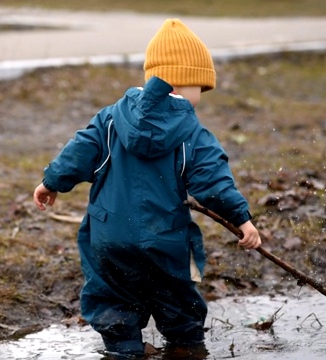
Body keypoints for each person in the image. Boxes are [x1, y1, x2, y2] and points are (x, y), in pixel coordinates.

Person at [32, 18, 261, 358]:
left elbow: (79, 151)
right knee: (176, 297)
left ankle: (122, 349)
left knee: (112, 296)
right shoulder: (193, 134)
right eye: (201, 87)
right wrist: (241, 219)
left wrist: (52, 182)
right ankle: (185, 347)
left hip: (109, 235)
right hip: (164, 239)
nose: (202, 96)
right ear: (185, 84)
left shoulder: (110, 118)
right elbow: (212, 183)